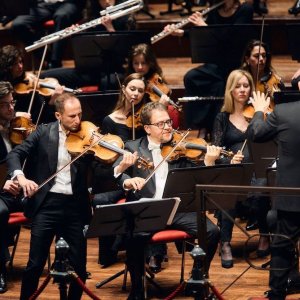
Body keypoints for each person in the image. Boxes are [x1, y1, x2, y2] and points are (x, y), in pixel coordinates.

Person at [113, 101, 221, 299]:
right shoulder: (133, 147)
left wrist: (208, 161)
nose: (168, 127)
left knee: (212, 232)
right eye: (161, 124)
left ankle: (197, 276)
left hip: (177, 209)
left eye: (169, 122)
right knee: (132, 237)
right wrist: (126, 179)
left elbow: (199, 176)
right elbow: (117, 173)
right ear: (147, 128)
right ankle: (138, 288)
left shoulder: (180, 147)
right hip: (148, 210)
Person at [6, 92, 97, 300]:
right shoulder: (43, 133)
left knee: (79, 269)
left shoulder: (88, 136)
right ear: (58, 115)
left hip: (74, 206)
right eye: (72, 116)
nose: (78, 120)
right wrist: (21, 178)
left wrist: (122, 165)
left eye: (80, 115)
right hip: (47, 204)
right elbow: (15, 155)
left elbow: (103, 167)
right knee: (35, 265)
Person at [164, 0, 253, 137]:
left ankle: (216, 127)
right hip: (217, 63)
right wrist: (180, 32)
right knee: (192, 77)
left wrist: (203, 25)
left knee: (219, 84)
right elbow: (205, 35)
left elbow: (233, 39)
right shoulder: (214, 9)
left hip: (236, 63)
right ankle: (202, 125)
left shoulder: (244, 9)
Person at [212, 69, 270, 268]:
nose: (243, 90)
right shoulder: (222, 118)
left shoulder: (258, 114)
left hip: (257, 170)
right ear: (231, 90)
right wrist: (229, 161)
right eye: (238, 86)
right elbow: (217, 151)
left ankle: (264, 235)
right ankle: (225, 243)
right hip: (233, 170)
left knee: (262, 187)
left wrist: (261, 114)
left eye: (246, 85)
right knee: (228, 188)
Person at [247, 90, 300, 300]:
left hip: (292, 194)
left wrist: (259, 111)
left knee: (282, 244)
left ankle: (277, 293)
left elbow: (256, 133)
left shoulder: (284, 111)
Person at [40, 0, 136, 90]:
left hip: (115, 70)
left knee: (107, 82)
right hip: (91, 71)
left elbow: (126, 52)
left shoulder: (126, 19)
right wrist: (76, 35)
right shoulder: (93, 16)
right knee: (46, 76)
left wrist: (110, 28)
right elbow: (83, 53)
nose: (107, 1)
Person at [0, 81, 31, 294]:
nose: (11, 109)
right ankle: (0, 269)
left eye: (12, 103)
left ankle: (66, 260)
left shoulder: (16, 128)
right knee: (0, 212)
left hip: (18, 190)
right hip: (1, 193)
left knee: (51, 200)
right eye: (5, 105)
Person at [9, 0, 86, 68]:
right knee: (18, 25)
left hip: (68, 3)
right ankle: (47, 57)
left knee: (62, 16)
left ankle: (55, 63)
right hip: (44, 4)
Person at [0, 44, 64, 124]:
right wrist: (15, 114)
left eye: (20, 62)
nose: (20, 66)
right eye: (15, 64)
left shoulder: (25, 78)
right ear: (7, 67)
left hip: (40, 115)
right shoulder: (3, 86)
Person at [125, 43, 180, 128]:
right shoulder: (128, 81)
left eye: (143, 63)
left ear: (150, 63)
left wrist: (160, 106)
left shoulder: (156, 81)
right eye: (136, 63)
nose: (140, 67)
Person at [241, 39, 284, 106]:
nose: (261, 59)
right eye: (256, 56)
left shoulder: (275, 80)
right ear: (247, 59)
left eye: (264, 55)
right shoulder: (240, 79)